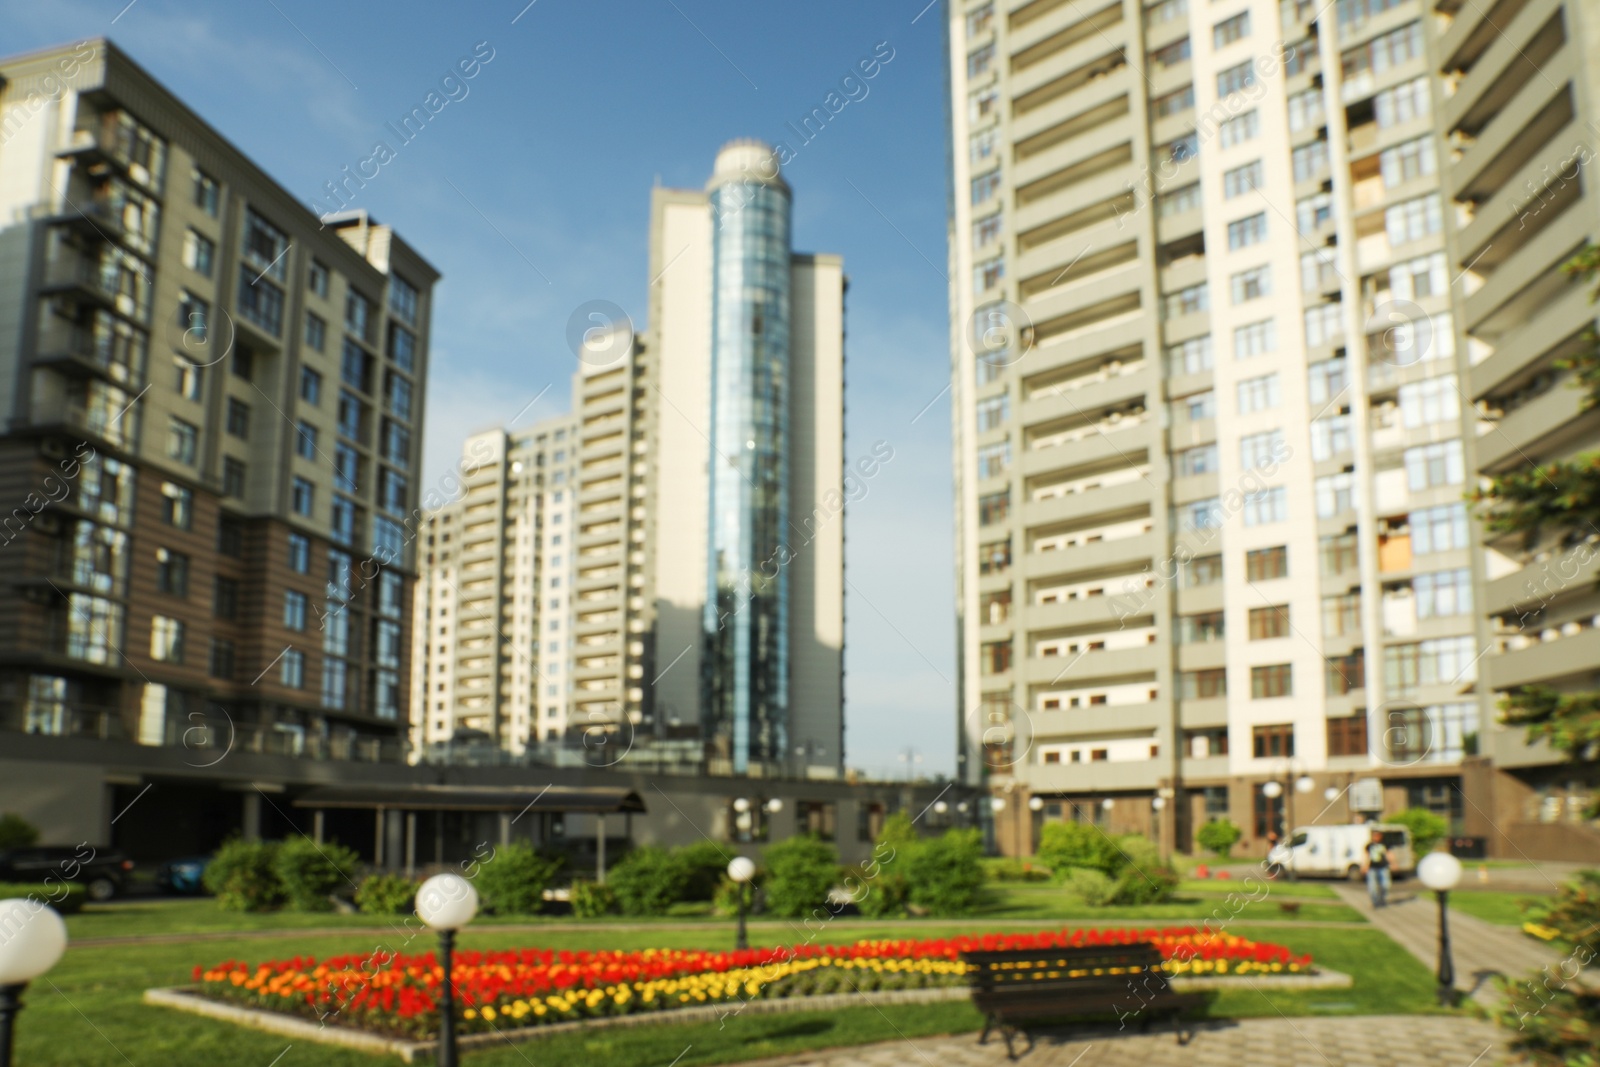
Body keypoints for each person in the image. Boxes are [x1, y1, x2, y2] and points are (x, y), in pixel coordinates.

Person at [1362, 829, 1390, 908]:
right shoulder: (1369, 845)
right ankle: (1374, 901)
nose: (1376, 837)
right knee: (1372, 886)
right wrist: (1364, 866)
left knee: (1385, 885)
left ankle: (1382, 899)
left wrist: (1393, 863)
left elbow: (1389, 854)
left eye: (1378, 835)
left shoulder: (1384, 844)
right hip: (1372, 868)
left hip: (1383, 867)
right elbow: (1366, 856)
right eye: (1375, 835)